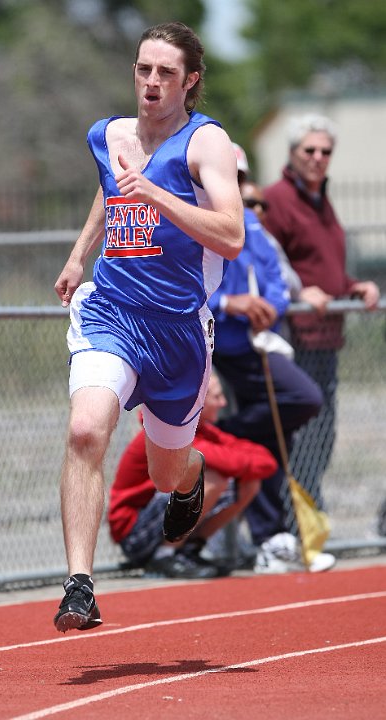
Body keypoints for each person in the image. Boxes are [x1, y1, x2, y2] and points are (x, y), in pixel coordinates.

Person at [52, 22, 244, 632]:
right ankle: (79, 584)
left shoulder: (205, 144)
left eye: (165, 73)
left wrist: (156, 195)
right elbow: (112, 192)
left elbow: (232, 236)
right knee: (86, 430)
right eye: (143, 70)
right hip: (112, 309)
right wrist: (79, 253)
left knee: (166, 470)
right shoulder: (108, 134)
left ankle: (189, 480)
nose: (151, 83)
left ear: (190, 81)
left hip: (178, 330)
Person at [208, 144, 333, 572]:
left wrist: (268, 309)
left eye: (242, 181)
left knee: (272, 431)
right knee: (304, 398)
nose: (240, 191)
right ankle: (271, 535)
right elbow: (187, 289)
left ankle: (272, 536)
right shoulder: (196, 220)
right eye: (231, 179)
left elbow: (278, 283)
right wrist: (231, 303)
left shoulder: (251, 226)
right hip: (222, 346)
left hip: (259, 344)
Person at [263, 113, 380, 510]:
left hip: (326, 335)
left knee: (323, 436)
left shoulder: (321, 200)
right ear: (292, 153)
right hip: (296, 335)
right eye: (309, 150)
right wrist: (296, 289)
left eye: (325, 151)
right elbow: (262, 261)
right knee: (302, 435)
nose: (317, 157)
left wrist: (353, 286)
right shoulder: (277, 198)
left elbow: (324, 265)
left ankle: (307, 520)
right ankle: (296, 524)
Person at [108, 371, 278, 579]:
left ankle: (189, 550)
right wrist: (240, 463)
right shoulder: (169, 431)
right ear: (199, 401)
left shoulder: (203, 430)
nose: (224, 403)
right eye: (217, 397)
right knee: (214, 479)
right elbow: (228, 461)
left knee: (249, 483)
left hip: (160, 523)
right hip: (134, 534)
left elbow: (266, 462)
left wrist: (242, 464)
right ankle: (164, 557)